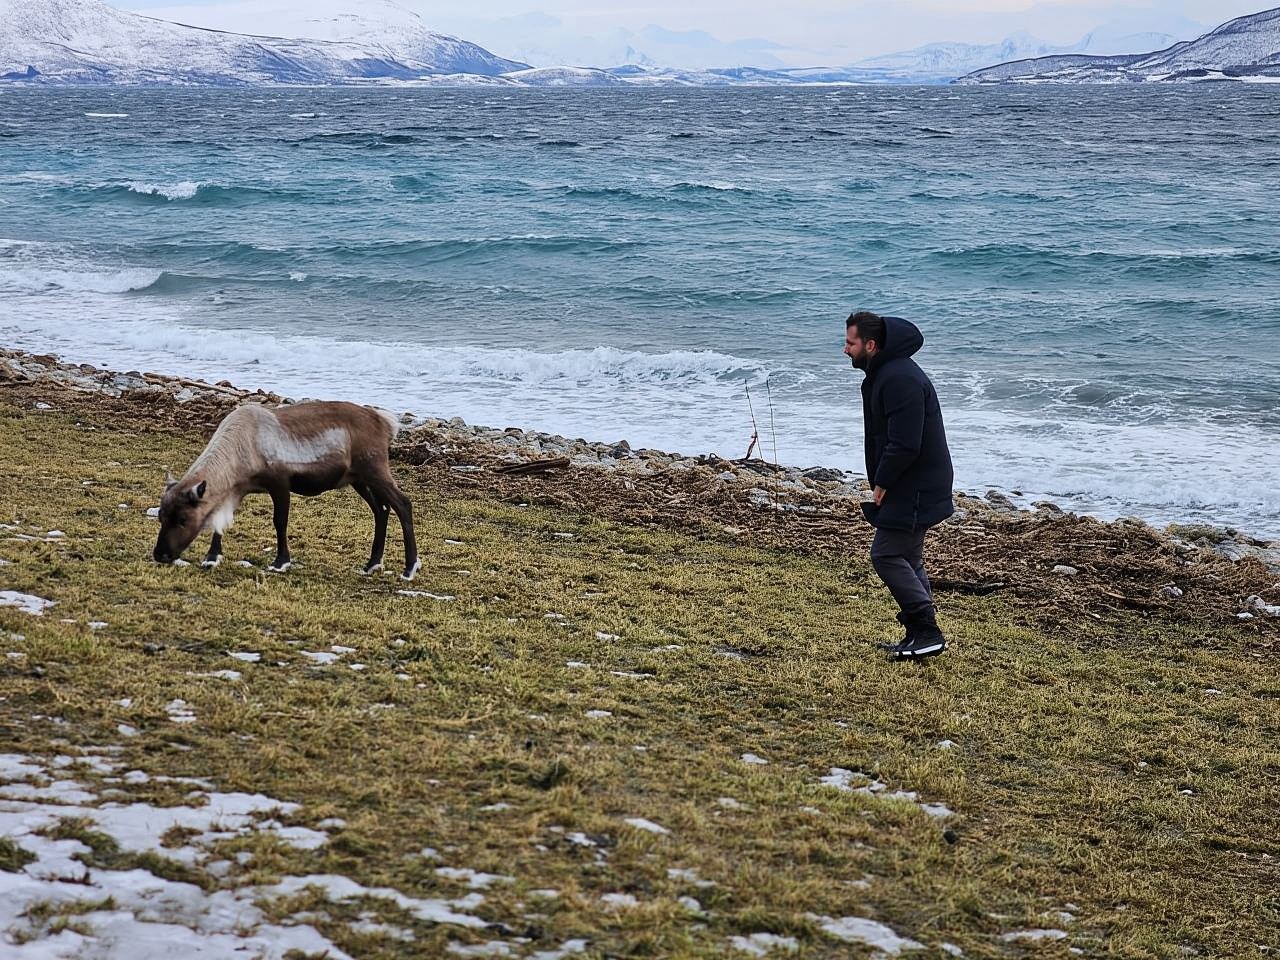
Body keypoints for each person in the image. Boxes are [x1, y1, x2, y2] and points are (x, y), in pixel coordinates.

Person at [844, 311, 954, 660]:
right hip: (916, 481)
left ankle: (927, 631)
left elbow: (906, 443)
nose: (845, 349)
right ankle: (919, 634)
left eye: (851, 343)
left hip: (915, 484)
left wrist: (882, 484)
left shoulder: (898, 379)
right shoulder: (887, 373)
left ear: (871, 345)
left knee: (886, 554)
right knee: (908, 555)